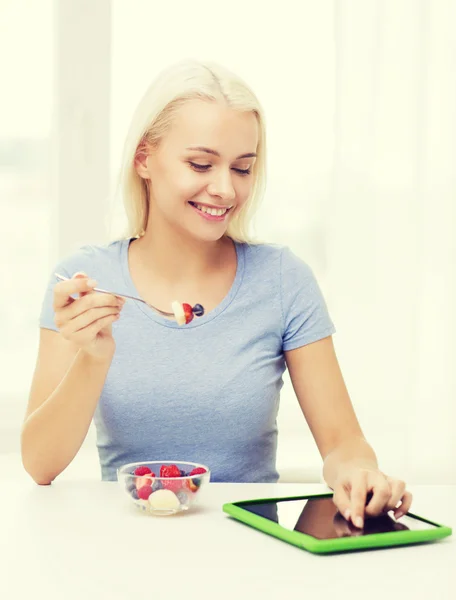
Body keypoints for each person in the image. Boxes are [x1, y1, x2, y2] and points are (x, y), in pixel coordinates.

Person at [21, 59, 412, 530]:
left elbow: (343, 443)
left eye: (242, 168)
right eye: (201, 164)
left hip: (251, 549)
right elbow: (41, 464)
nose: (225, 189)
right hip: (124, 551)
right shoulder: (85, 282)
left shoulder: (283, 279)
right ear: (145, 159)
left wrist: (359, 475)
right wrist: (93, 357)